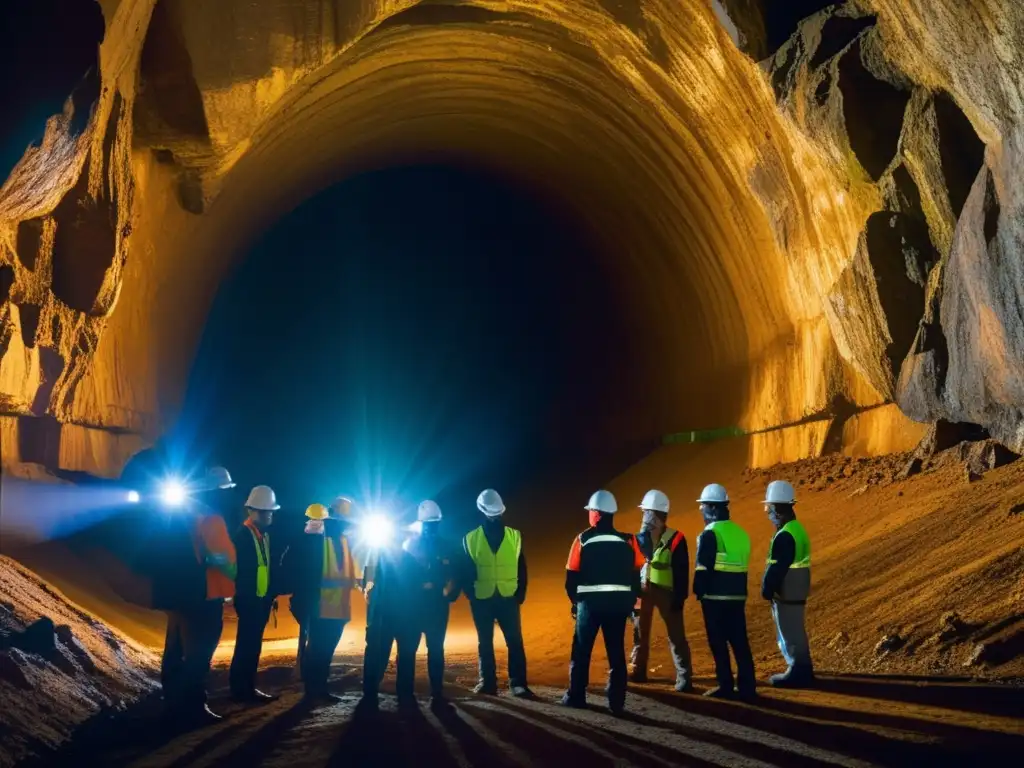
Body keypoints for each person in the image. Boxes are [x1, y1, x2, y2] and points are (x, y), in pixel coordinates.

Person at [152, 466, 238, 726]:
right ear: (216, 491)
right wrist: (231, 568)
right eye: (224, 491)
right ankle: (193, 708)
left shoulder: (180, 513)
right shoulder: (210, 518)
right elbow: (218, 557)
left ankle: (173, 705)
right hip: (204, 594)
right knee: (199, 654)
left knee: (176, 651)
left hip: (182, 594)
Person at [561, 490, 644, 715]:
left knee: (581, 650)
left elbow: (571, 577)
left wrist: (575, 602)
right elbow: (637, 573)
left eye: (590, 511)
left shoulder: (582, 539)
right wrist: (631, 600)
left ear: (596, 514)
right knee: (616, 652)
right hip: (618, 604)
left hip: (589, 604)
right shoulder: (629, 540)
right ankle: (617, 702)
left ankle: (576, 696)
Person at [283, 502, 358, 702]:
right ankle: (315, 690)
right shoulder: (322, 538)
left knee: (321, 648)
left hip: (333, 602)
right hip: (325, 603)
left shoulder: (338, 538)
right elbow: (303, 569)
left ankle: (316, 688)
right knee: (320, 649)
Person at [460, 488, 532, 697]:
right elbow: (465, 570)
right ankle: (489, 682)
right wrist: (470, 593)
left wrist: (520, 592)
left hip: (507, 597)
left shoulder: (514, 536)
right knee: (487, 641)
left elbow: (521, 566)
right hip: (483, 598)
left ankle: (517, 683)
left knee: (513, 641)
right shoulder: (470, 539)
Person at [693, 483, 756, 700]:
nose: (700, 510)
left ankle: (725, 685)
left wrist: (698, 592)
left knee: (718, 644)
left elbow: (703, 568)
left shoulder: (710, 534)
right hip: (738, 597)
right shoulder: (741, 533)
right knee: (740, 642)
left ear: (712, 507)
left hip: (715, 599)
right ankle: (748, 686)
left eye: (702, 506)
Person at [394, 500, 459, 710]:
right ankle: (405, 693)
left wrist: (451, 594)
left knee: (434, 650)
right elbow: (401, 575)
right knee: (408, 650)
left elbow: (456, 573)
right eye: (429, 523)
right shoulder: (410, 545)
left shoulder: (444, 546)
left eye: (434, 523)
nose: (431, 527)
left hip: (435, 606)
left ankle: (436, 693)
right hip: (414, 605)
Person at [631, 489, 693, 692]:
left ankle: (684, 677)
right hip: (643, 590)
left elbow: (682, 570)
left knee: (676, 635)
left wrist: (680, 597)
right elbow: (634, 566)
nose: (643, 516)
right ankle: (638, 671)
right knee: (640, 633)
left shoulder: (676, 539)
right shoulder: (640, 539)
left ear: (655, 514)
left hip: (668, 592)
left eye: (646, 512)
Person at [228, 485, 281, 703]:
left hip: (260, 599)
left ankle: (247, 687)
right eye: (267, 511)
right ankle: (242, 690)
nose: (271, 515)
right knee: (247, 647)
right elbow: (242, 571)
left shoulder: (261, 535)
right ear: (255, 511)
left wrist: (269, 596)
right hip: (249, 600)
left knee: (252, 646)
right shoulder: (243, 535)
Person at [761, 480, 814, 687]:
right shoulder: (796, 528)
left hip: (787, 589)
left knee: (789, 631)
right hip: (796, 587)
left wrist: (767, 588)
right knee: (794, 629)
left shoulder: (785, 535)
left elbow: (778, 567)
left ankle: (798, 671)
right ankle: (801, 668)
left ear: (778, 508)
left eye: (769, 508)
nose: (767, 513)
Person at [359, 511, 403, 710]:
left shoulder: (402, 553)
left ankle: (373, 688)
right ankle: (370, 687)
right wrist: (366, 589)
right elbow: (365, 579)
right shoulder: (374, 553)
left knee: (381, 649)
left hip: (392, 609)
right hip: (380, 611)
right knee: (377, 649)